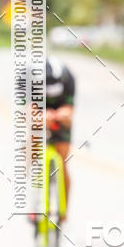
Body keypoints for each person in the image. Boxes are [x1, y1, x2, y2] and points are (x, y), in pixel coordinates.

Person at [45, 57, 75, 218]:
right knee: (30, 147)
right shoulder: (26, 78)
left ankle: (63, 214)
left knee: (62, 162)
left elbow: (70, 109)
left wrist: (64, 114)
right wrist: (39, 116)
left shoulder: (68, 77)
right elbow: (26, 111)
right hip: (39, 107)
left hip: (60, 109)